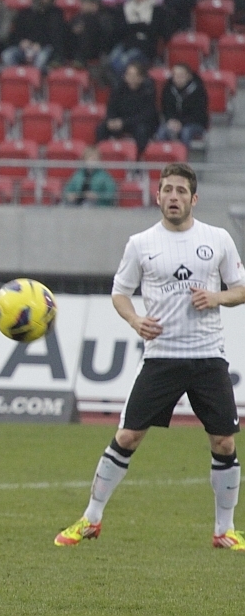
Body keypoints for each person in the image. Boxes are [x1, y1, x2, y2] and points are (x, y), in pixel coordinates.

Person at [55, 162, 245, 551]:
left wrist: (216, 297)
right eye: (167, 190)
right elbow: (120, 292)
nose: (173, 197)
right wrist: (135, 320)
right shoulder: (141, 243)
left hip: (208, 357)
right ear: (157, 196)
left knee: (224, 442)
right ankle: (91, 519)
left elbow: (241, 289)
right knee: (127, 435)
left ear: (194, 198)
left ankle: (224, 530)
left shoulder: (218, 238)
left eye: (181, 191)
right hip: (161, 358)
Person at [108, 0, 172, 80]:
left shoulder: (157, 10)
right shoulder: (126, 8)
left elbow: (155, 31)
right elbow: (119, 30)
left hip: (145, 47)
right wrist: (141, 26)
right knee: (111, 61)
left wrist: (132, 26)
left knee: (122, 64)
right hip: (126, 43)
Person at [2, 0, 67, 72]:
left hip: (45, 47)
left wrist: (40, 44)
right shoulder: (24, 13)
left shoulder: (56, 13)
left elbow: (56, 37)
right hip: (25, 48)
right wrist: (21, 42)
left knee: (41, 59)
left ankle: (35, 79)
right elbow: (16, 34)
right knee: (7, 55)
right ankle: (18, 76)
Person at [97, 61, 160, 153]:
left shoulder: (148, 91)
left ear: (141, 78)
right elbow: (111, 107)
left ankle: (139, 158)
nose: (130, 78)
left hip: (138, 122)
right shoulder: (118, 88)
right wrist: (111, 120)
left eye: (133, 75)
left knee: (141, 131)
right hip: (120, 121)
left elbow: (146, 115)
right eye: (128, 74)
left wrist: (124, 122)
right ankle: (102, 154)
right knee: (101, 128)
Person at [156, 62, 209, 146]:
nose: (178, 78)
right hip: (172, 122)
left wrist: (181, 122)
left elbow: (199, 113)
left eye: (181, 75)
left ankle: (183, 154)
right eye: (175, 75)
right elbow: (165, 109)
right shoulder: (168, 88)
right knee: (162, 131)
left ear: (188, 76)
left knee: (186, 132)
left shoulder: (198, 90)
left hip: (194, 123)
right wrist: (170, 120)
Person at [68, 0, 118, 67]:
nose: (82, 6)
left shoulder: (105, 18)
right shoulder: (79, 16)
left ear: (94, 4)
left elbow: (106, 37)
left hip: (98, 52)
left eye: (85, 3)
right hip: (76, 49)